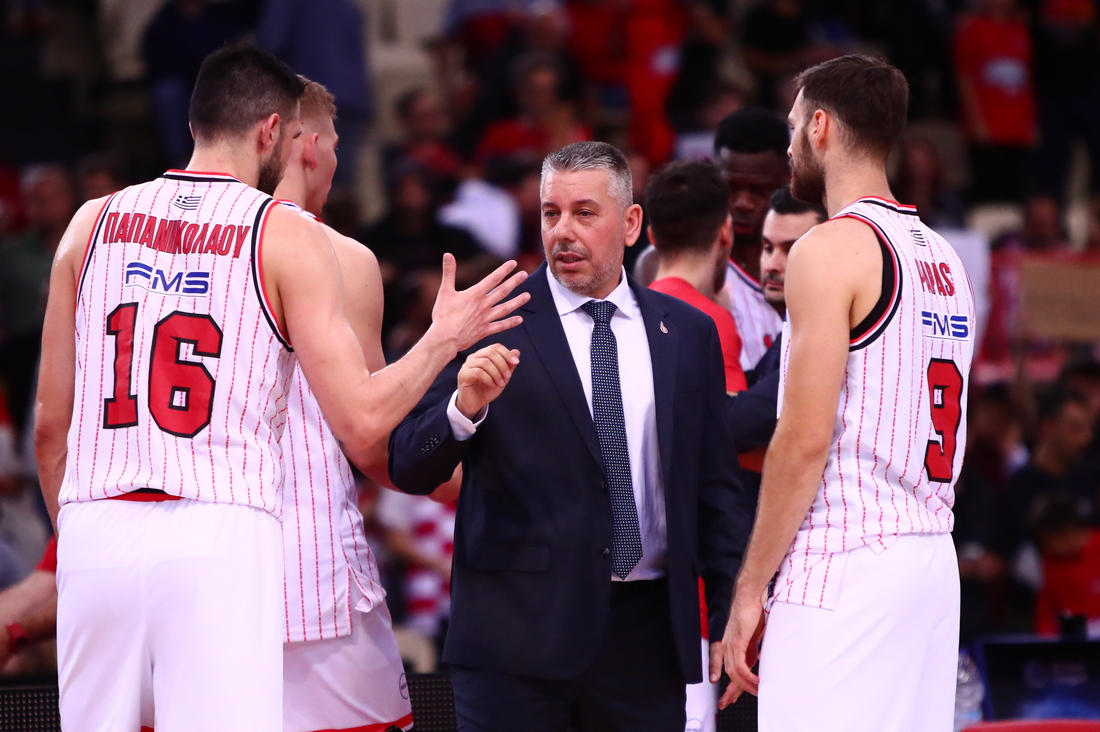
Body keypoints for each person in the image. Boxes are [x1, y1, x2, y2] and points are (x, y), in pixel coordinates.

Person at [34, 46, 529, 732]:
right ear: (277, 133)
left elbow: (49, 429)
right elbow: (367, 431)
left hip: (97, 532)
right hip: (233, 534)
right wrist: (443, 339)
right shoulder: (296, 239)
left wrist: (82, 539)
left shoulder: (89, 222)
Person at [390, 141, 749, 732]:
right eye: (551, 213)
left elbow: (716, 492)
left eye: (585, 213)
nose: (563, 231)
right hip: (515, 645)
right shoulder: (490, 320)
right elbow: (407, 464)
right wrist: (461, 409)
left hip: (647, 644)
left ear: (630, 223)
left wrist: (734, 609)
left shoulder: (688, 333)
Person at [717, 55, 977, 732]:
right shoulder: (946, 257)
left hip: (849, 555)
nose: (789, 146)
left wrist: (750, 587)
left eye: (794, 126)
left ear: (821, 127)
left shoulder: (830, 248)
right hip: (931, 560)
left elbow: (804, 439)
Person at [272, 78, 412, 732]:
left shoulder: (165, 239)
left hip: (189, 572)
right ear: (306, 146)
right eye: (332, 143)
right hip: (311, 571)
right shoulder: (341, 257)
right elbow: (374, 439)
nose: (334, 159)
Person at [634, 107, 789, 373]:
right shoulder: (664, 261)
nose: (743, 203)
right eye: (732, 188)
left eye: (758, 190)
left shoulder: (805, 256)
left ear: (786, 181)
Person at [729, 186, 825, 490]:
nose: (771, 264)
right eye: (768, 247)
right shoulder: (795, 327)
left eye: (790, 250)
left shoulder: (827, 333)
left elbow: (738, 425)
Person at [646, 159, 747, 395]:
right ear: (726, 232)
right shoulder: (710, 322)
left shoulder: (626, 310)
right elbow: (733, 414)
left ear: (652, 238)